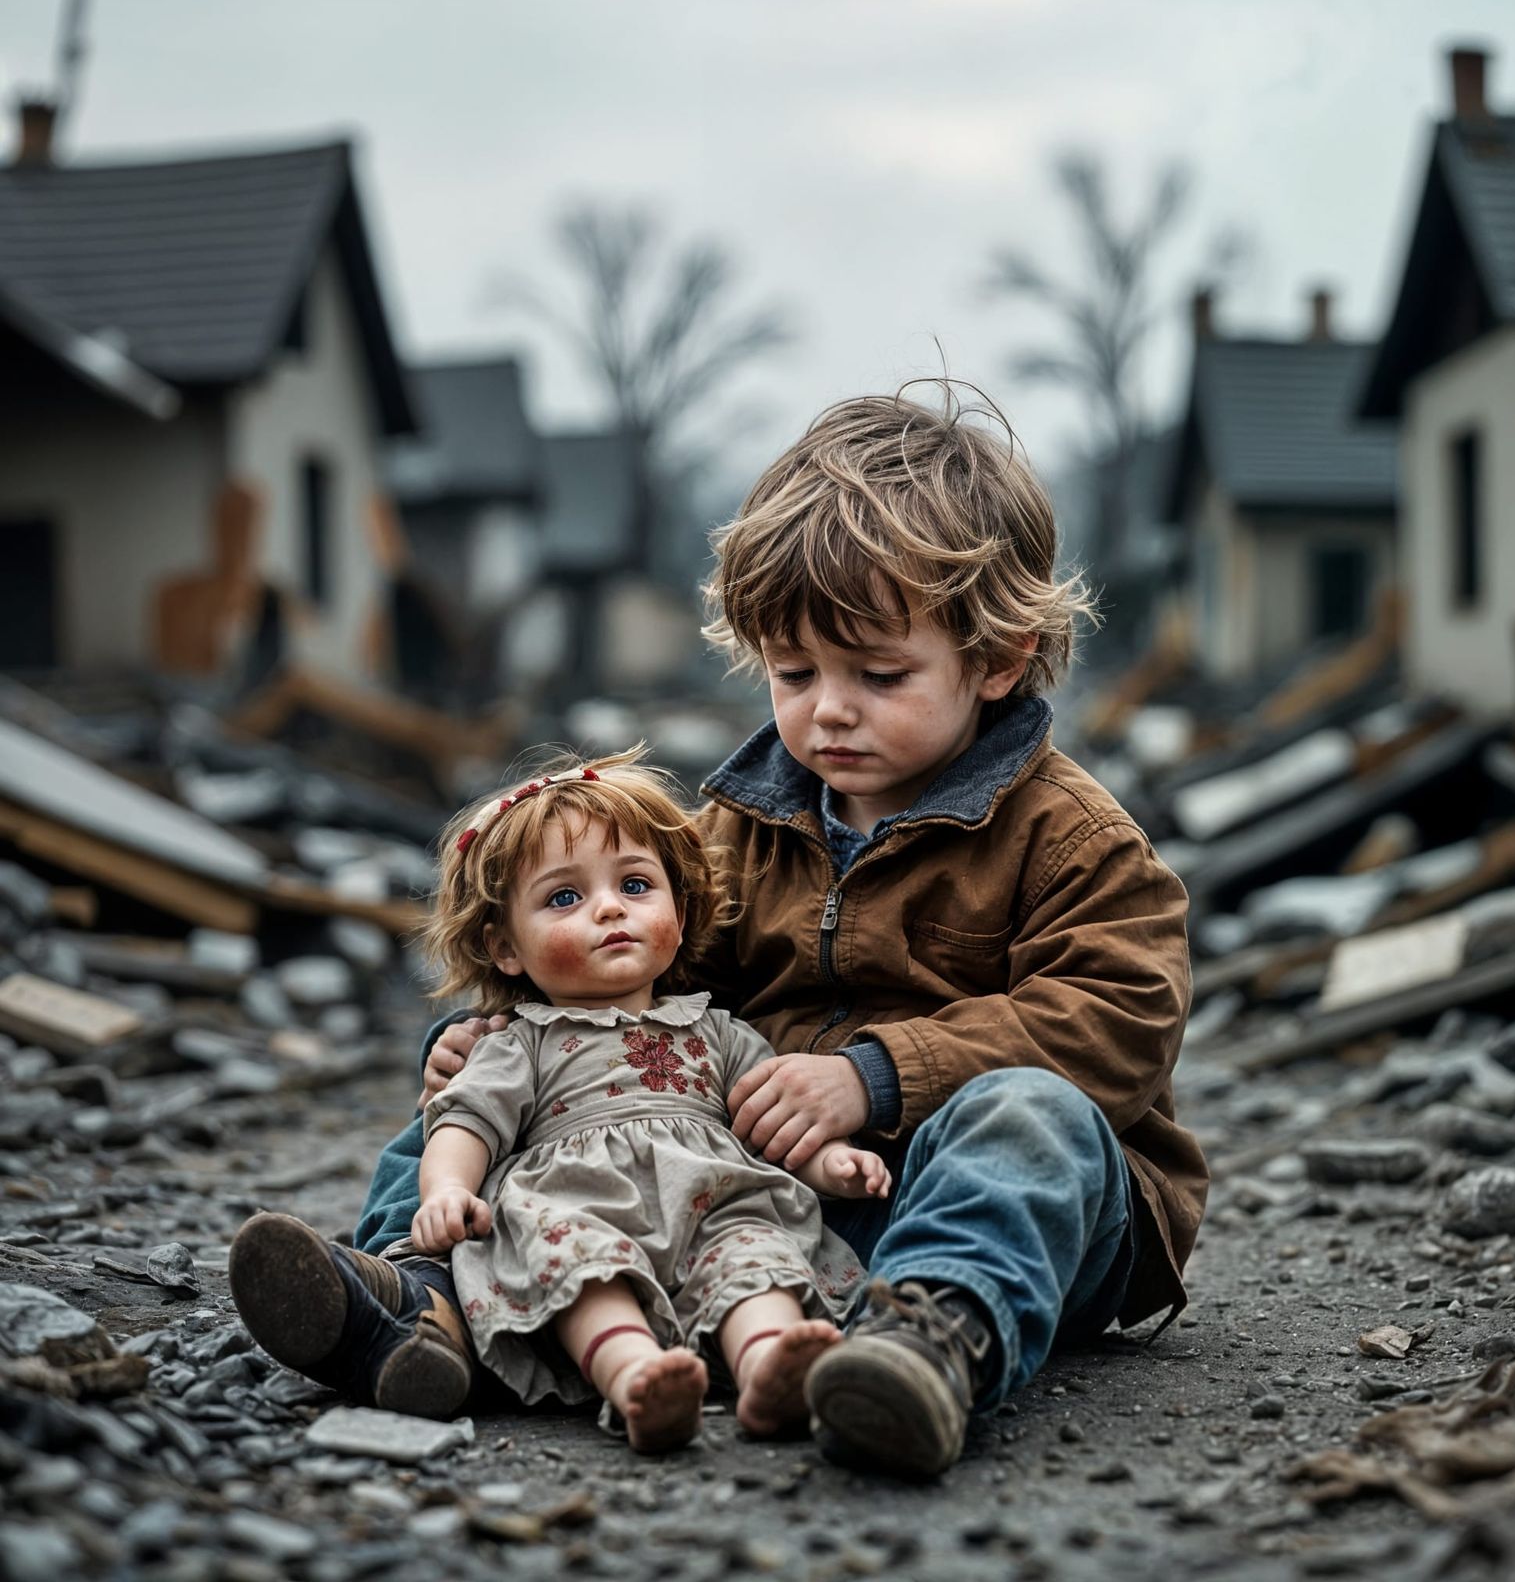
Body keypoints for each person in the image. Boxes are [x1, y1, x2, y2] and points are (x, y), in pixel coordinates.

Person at [234, 383, 1206, 1479]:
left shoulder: (1070, 836)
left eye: (877, 675)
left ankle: (928, 1341)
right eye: (794, 674)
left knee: (1029, 1118)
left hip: (1013, 1220)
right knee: (490, 1090)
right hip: (770, 1208)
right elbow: (639, 973)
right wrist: (506, 1036)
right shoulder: (737, 828)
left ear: (997, 659)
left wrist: (876, 1076)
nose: (826, 710)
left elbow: (1119, 1020)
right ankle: (415, 1298)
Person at [232, 750, 885, 1452]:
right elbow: (464, 1121)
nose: (609, 908)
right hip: (579, 1207)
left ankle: (770, 1368)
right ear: (506, 948)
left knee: (753, 1256)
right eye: (564, 898)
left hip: (711, 1206)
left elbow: (770, 1120)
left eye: (635, 885)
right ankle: (636, 1378)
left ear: (682, 909)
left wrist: (831, 1163)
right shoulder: (519, 1042)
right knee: (577, 1269)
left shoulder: (720, 1031)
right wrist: (445, 1192)